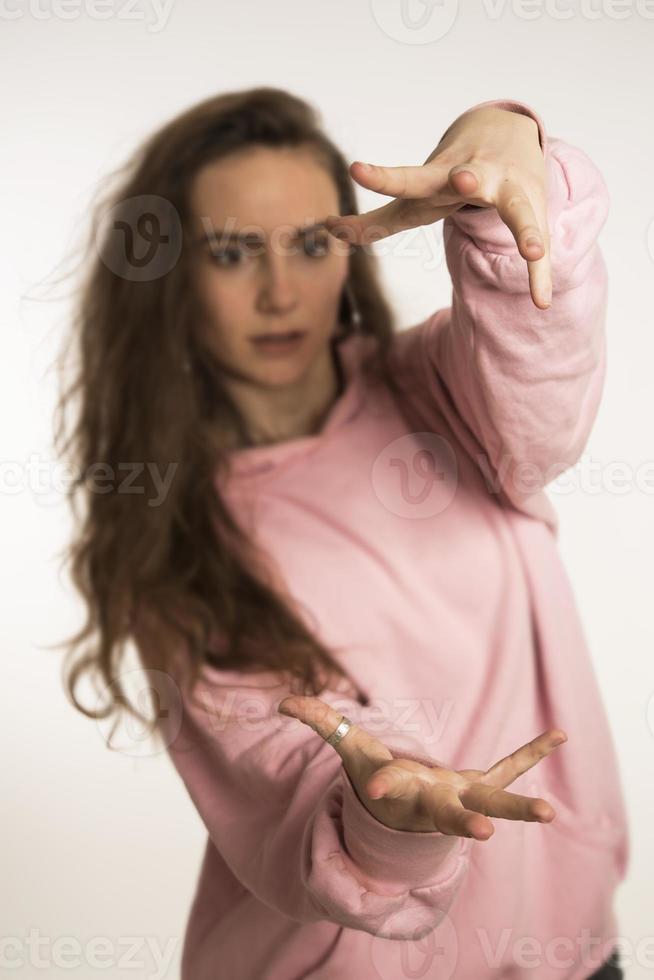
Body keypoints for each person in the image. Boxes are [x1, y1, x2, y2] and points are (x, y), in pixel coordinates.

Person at [56, 87, 629, 979]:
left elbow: (538, 367)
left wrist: (501, 162)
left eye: (311, 242)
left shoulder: (445, 392)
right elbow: (276, 768)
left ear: (352, 248)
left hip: (563, 947)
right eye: (234, 251)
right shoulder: (170, 536)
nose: (280, 290)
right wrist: (386, 817)